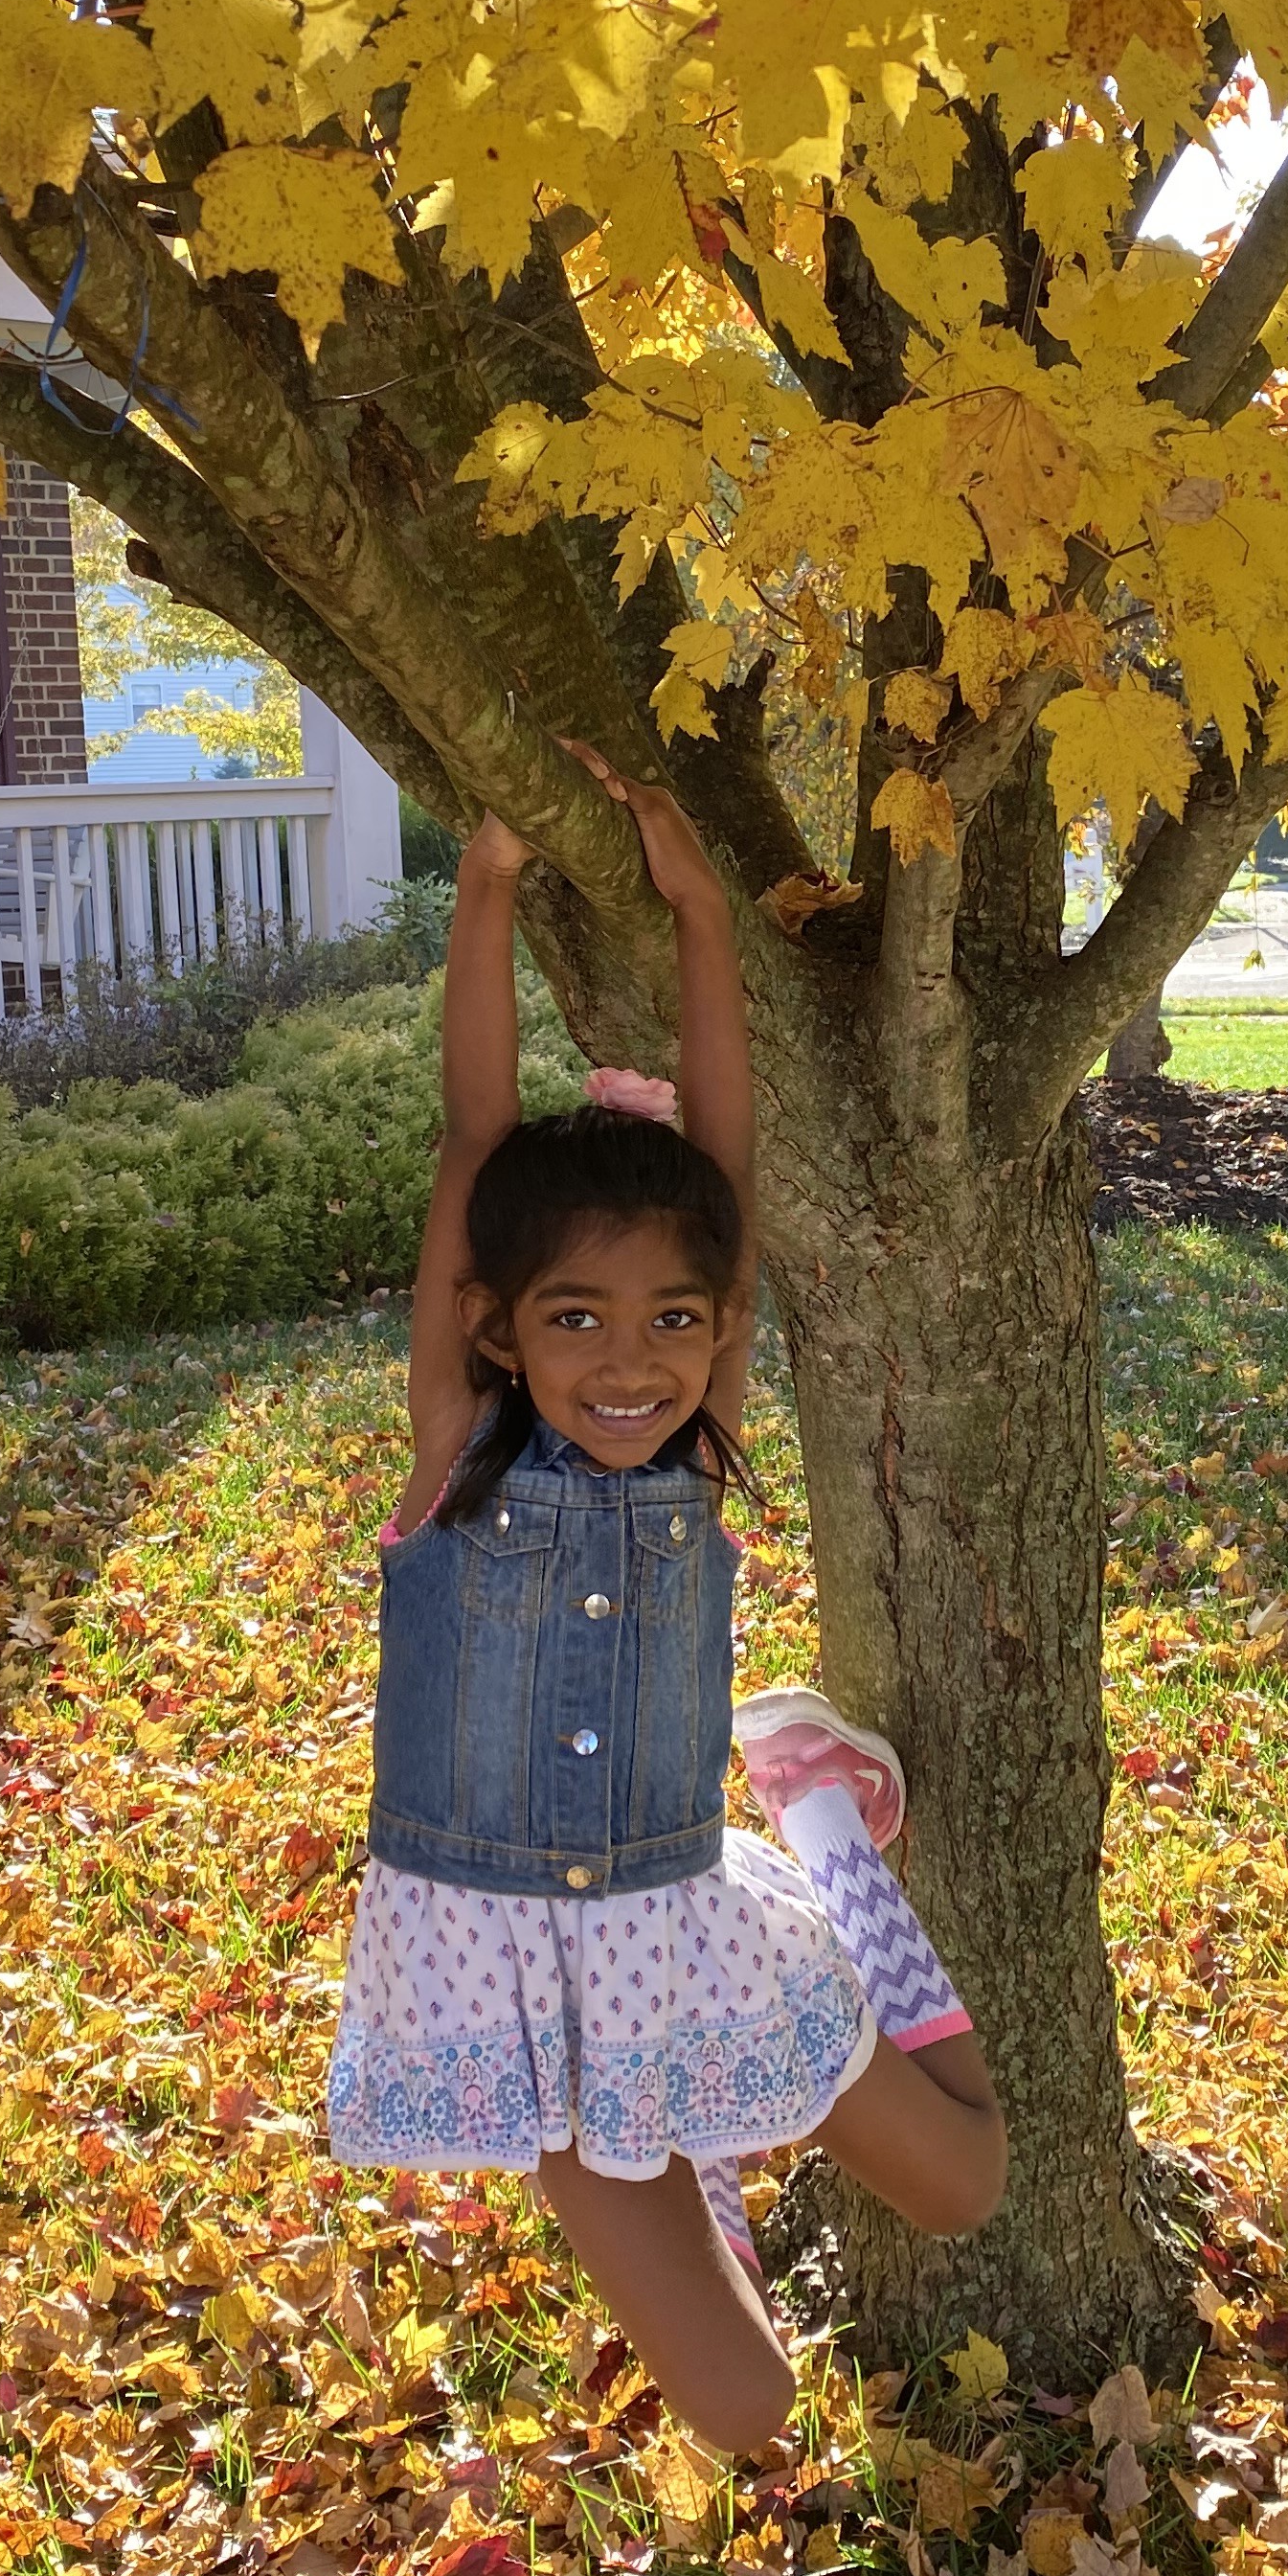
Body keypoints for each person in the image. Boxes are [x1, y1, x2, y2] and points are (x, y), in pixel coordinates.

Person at [326, 748, 1006, 2453]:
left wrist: (703, 904)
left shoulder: (696, 1452)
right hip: (499, 1986)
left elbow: (727, 1152)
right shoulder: (456, 1449)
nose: (630, 1363)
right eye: (575, 1320)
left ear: (717, 1330)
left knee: (971, 2179)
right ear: (493, 1325)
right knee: (750, 2407)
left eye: (674, 1323)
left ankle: (822, 1828)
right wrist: (486, 888)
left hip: (674, 1919)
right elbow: (473, 1132)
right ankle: (688, 2146)